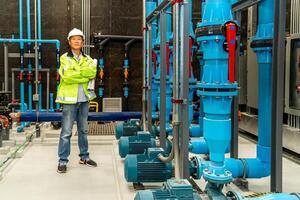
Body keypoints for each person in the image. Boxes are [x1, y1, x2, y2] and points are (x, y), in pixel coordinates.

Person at [55, 28, 97, 173]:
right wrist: (83, 75)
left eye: (79, 39)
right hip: (69, 100)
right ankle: (62, 161)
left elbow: (92, 73)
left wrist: (77, 72)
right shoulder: (64, 58)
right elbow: (67, 76)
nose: (77, 41)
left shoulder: (88, 59)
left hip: (84, 98)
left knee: (83, 130)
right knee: (66, 131)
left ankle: (84, 157)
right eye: (74, 39)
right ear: (69, 41)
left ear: (83, 42)